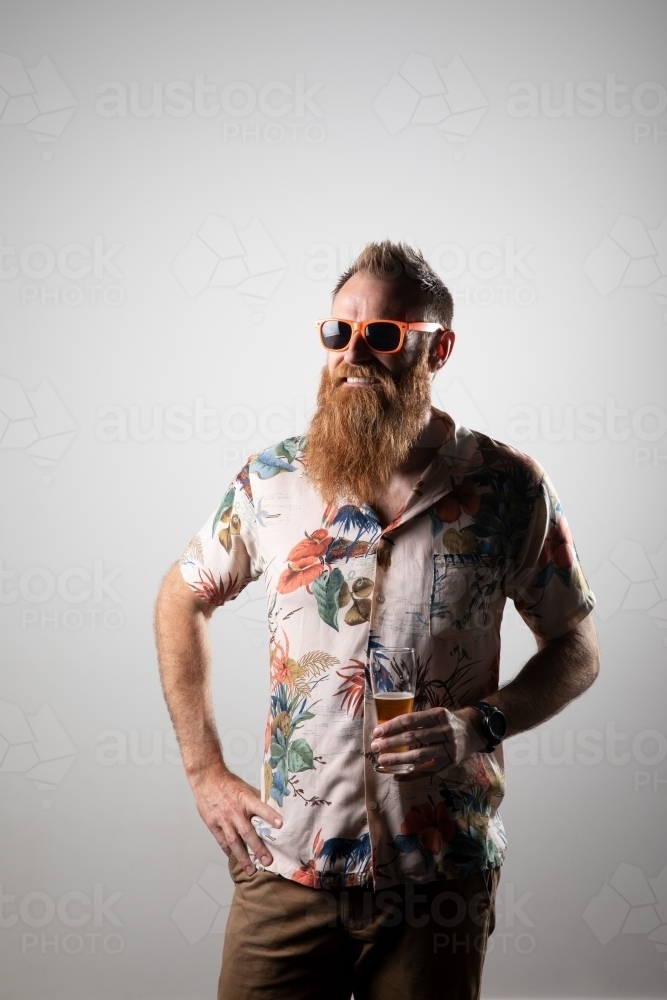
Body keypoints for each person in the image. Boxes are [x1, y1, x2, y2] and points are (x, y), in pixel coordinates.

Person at [155, 241, 599, 1000]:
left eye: (384, 334)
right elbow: (181, 596)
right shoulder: (273, 480)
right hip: (288, 869)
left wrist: (479, 724)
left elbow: (574, 648)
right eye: (338, 333)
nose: (354, 353)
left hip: (439, 879)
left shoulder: (509, 489)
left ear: (438, 347)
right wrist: (204, 772)